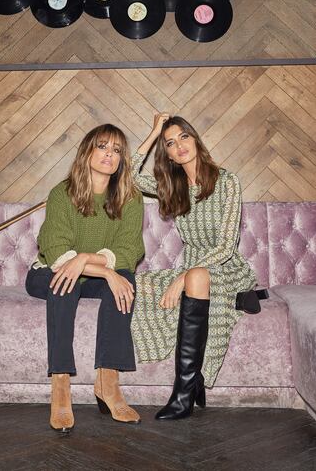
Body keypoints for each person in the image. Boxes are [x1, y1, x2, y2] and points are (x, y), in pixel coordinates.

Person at [131, 113, 257, 420]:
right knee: (141, 285)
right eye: (170, 144)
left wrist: (183, 278)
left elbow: (226, 247)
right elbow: (131, 175)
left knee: (196, 276)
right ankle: (193, 382)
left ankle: (182, 394)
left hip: (226, 266)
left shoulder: (226, 181)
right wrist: (153, 132)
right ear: (169, 155)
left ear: (195, 139)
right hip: (193, 267)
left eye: (183, 137)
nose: (179, 146)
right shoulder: (172, 186)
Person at [26, 124, 144, 433]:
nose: (109, 154)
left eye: (116, 150)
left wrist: (87, 260)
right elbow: (56, 252)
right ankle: (61, 387)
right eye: (102, 146)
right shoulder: (61, 194)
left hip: (86, 272)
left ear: (122, 159)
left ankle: (108, 384)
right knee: (65, 284)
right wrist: (103, 270)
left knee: (125, 279)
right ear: (87, 152)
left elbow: (128, 249)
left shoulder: (130, 198)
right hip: (48, 272)